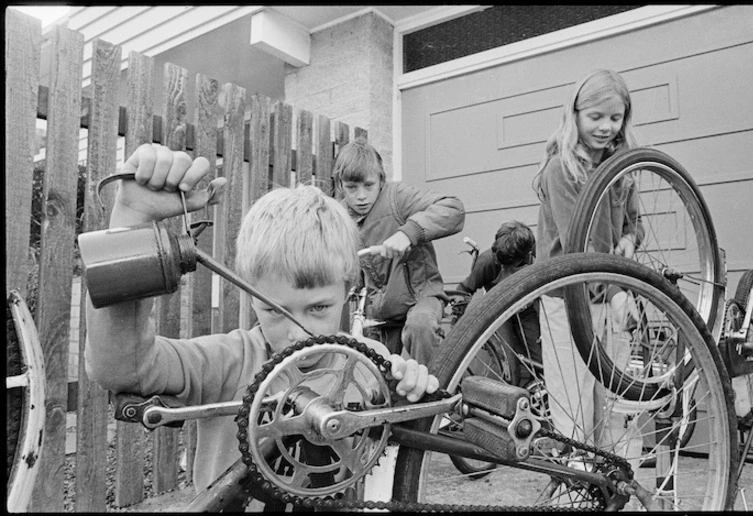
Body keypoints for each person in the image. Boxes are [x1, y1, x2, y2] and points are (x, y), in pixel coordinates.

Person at [84, 143, 440, 496]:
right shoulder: (227, 363)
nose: (297, 334)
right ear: (251, 295)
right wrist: (132, 221)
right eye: (273, 308)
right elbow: (120, 367)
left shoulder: (367, 362)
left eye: (318, 308)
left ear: (348, 290)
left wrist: (410, 389)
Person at [532, 69, 644, 467]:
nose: (605, 127)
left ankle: (621, 480)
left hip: (612, 294)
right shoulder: (560, 169)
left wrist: (630, 239)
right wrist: (616, 292)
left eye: (615, 118)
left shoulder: (621, 166)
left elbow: (633, 223)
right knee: (573, 401)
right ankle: (577, 484)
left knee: (615, 398)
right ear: (575, 114)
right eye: (595, 116)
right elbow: (581, 245)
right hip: (567, 298)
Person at [334, 138, 465, 365]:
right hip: (380, 309)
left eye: (369, 185)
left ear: (381, 179)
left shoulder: (397, 198)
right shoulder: (339, 215)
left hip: (421, 297)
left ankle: (437, 390)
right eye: (352, 188)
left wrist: (408, 233)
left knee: (420, 327)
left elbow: (452, 209)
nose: (361, 196)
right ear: (340, 185)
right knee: (370, 366)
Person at [456, 221, 541, 387]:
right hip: (499, 313)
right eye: (502, 266)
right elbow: (463, 291)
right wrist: (459, 326)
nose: (506, 273)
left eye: (511, 267)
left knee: (541, 359)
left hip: (527, 310)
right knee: (509, 366)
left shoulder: (538, 257)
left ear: (526, 256)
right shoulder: (486, 262)